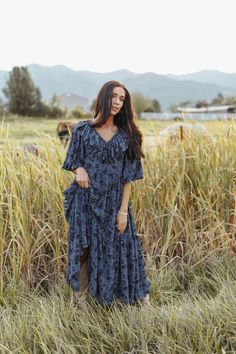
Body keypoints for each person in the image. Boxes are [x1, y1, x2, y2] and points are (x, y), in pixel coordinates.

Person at [61, 80, 150, 306]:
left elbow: (128, 177)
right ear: (104, 97)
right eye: (114, 96)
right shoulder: (82, 130)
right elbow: (72, 160)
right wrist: (79, 169)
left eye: (122, 99)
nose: (117, 102)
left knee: (122, 248)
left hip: (114, 203)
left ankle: (127, 297)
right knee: (84, 248)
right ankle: (82, 301)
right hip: (86, 200)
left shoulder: (127, 135)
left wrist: (122, 211)